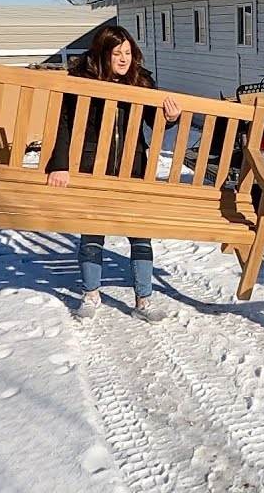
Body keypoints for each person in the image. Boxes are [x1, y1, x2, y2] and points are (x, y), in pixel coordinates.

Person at [45, 25, 181, 322]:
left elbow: (153, 121)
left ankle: (143, 299)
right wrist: (59, 164)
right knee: (92, 232)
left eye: (128, 53)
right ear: (103, 53)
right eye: (117, 53)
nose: (123, 59)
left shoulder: (141, 82)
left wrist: (169, 117)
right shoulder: (81, 80)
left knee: (140, 233)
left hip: (132, 168)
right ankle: (91, 294)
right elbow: (63, 123)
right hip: (92, 167)